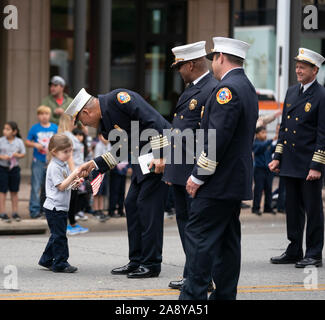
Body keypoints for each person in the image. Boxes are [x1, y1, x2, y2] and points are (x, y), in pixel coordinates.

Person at [181, 37, 258, 300]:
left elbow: (217, 139)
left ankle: (192, 299)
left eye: (213, 58)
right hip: (232, 182)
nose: (212, 63)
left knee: (200, 241)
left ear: (221, 58)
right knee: (227, 243)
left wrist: (197, 176)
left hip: (217, 183)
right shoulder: (245, 86)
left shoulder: (227, 90)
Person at [66, 88, 170, 278]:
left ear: (86, 112)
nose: (85, 125)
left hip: (158, 159)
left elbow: (153, 121)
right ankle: (137, 260)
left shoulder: (118, 99)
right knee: (131, 204)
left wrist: (162, 155)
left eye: (81, 120)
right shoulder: (106, 120)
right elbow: (123, 148)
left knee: (148, 207)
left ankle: (152, 263)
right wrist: (94, 164)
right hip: (143, 163)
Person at [163, 41, 218, 291]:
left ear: (192, 64)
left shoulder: (211, 89)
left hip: (194, 170)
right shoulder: (191, 88)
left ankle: (201, 278)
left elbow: (210, 137)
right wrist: (170, 168)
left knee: (196, 229)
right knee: (186, 226)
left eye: (180, 66)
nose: (179, 71)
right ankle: (193, 274)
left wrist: (199, 173)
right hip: (180, 169)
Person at [269, 48, 325, 268]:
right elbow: (284, 129)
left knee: (312, 210)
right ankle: (294, 249)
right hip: (290, 162)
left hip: (309, 164)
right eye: (297, 66)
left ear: (315, 70)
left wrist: (317, 165)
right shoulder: (292, 92)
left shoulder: (321, 95)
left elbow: (323, 134)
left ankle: (314, 253)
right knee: (291, 208)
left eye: (303, 67)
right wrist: (277, 157)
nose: (298, 70)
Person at [38, 134, 82, 273]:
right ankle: (60, 262)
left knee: (56, 234)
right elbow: (61, 186)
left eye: (70, 151)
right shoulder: (54, 167)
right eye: (65, 152)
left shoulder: (62, 165)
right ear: (54, 152)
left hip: (61, 206)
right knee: (60, 236)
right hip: (55, 207)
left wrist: (75, 183)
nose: (68, 154)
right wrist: (73, 175)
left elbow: (66, 185)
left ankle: (46, 260)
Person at [57, 114, 89, 235]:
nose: (75, 123)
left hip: (74, 170)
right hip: (71, 171)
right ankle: (68, 225)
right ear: (68, 121)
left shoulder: (67, 135)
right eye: (73, 120)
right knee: (70, 199)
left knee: (72, 198)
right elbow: (68, 156)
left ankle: (72, 223)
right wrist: (74, 173)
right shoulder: (66, 136)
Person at [26, 106, 58, 219]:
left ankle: (45, 209)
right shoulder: (34, 128)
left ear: (49, 115)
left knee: (48, 186)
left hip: (51, 160)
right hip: (38, 160)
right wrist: (35, 145)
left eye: (46, 114)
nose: (44, 116)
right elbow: (27, 141)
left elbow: (59, 141)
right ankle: (34, 211)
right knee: (36, 185)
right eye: (41, 114)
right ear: (38, 116)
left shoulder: (55, 127)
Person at [0, 122, 26, 223]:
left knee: (14, 191)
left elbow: (23, 153)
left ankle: (15, 212)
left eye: (8, 129)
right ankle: (2, 213)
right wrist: (3, 157)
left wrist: (17, 155)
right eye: (4, 129)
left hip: (14, 169)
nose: (5, 131)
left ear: (14, 132)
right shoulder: (1, 140)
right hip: (2, 168)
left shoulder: (19, 141)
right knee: (2, 191)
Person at [252, 126, 276, 216]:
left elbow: (274, 148)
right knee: (259, 189)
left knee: (268, 189)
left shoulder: (267, 143)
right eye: (262, 133)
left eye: (265, 133)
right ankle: (256, 208)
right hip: (259, 169)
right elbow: (261, 147)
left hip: (268, 169)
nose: (265, 135)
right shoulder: (256, 143)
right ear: (257, 134)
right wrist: (271, 140)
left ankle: (268, 207)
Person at [92, 133, 111, 222]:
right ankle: (96, 210)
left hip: (105, 171)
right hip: (98, 171)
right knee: (97, 191)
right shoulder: (98, 146)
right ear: (99, 137)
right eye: (103, 136)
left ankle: (101, 209)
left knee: (103, 192)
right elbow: (97, 160)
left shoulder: (109, 145)